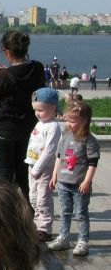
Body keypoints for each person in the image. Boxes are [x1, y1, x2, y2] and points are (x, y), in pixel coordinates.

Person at [0, 30, 46, 200]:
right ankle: (30, 210)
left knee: (4, 174)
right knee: (23, 171)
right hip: (28, 127)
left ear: (6, 51)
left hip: (5, 128)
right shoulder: (37, 68)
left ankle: (2, 212)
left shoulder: (4, 75)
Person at [48, 101, 100, 256]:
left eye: (72, 121)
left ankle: (83, 241)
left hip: (79, 185)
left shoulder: (89, 141)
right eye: (67, 120)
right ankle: (64, 237)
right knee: (64, 211)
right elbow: (59, 157)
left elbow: (92, 164)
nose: (68, 123)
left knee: (81, 213)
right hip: (64, 182)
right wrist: (55, 174)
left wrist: (86, 181)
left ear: (84, 122)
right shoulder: (65, 136)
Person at [25, 88, 61, 242]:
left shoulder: (53, 126)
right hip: (32, 165)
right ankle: (37, 222)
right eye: (35, 110)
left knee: (43, 198)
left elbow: (50, 150)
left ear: (53, 108)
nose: (37, 113)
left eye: (41, 110)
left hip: (44, 168)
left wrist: (38, 168)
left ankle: (45, 228)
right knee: (33, 196)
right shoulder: (40, 123)